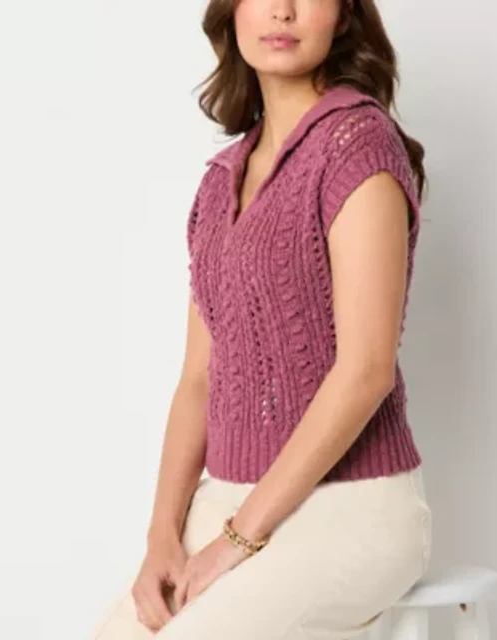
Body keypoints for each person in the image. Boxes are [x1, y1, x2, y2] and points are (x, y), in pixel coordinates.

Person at [89, 1, 432, 638]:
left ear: (343, 14)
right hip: (226, 500)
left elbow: (366, 370)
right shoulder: (221, 182)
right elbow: (198, 379)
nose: (282, 10)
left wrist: (238, 540)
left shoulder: (357, 145)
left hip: (354, 507)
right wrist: (162, 537)